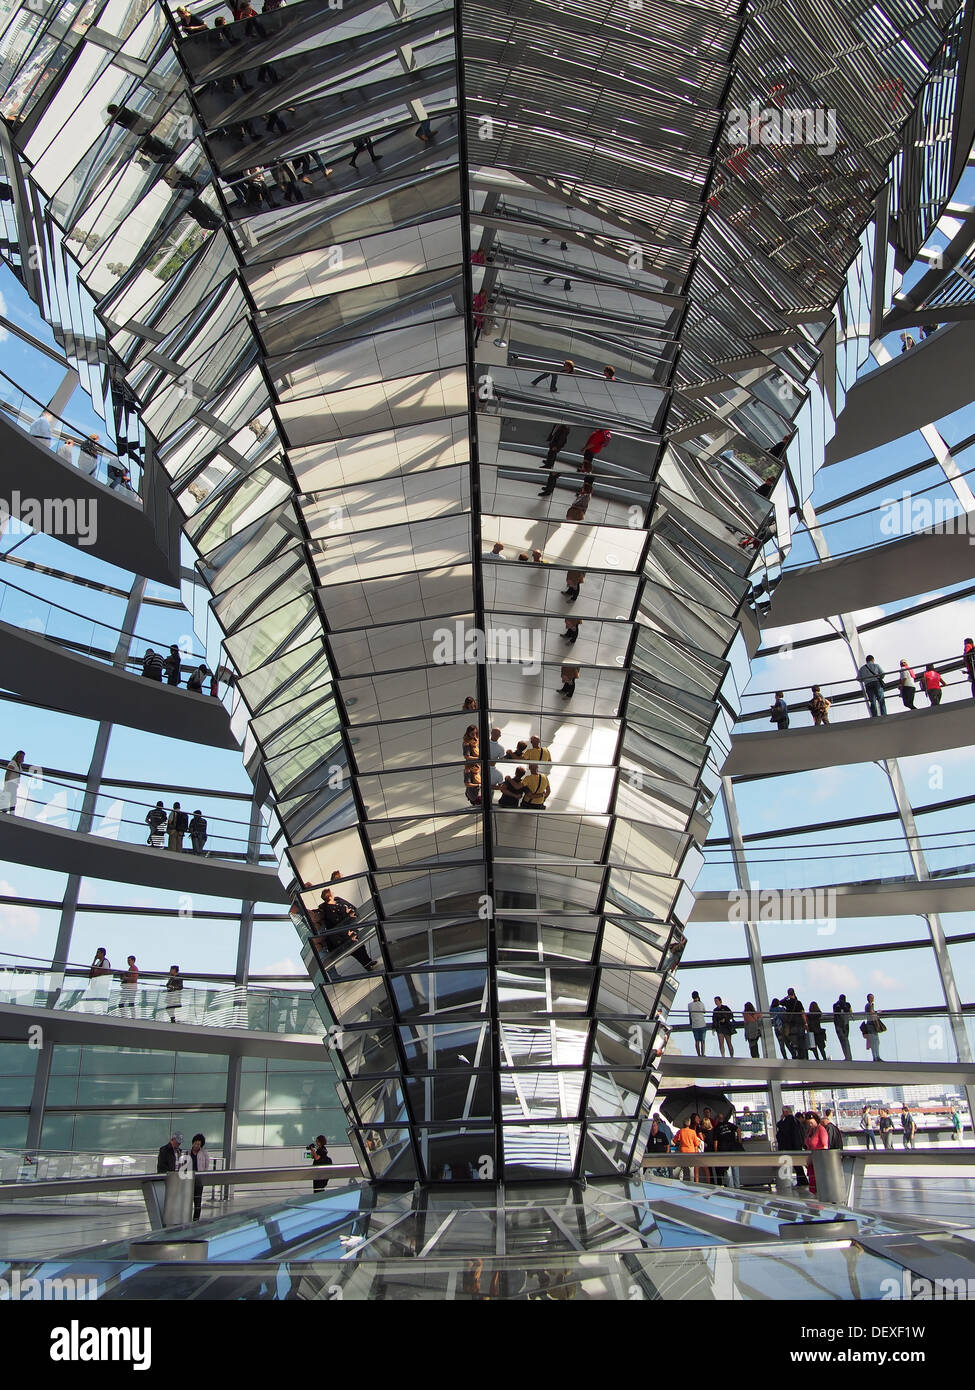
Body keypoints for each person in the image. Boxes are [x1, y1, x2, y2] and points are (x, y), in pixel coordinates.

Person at [314, 888, 378, 970]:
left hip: (350, 928)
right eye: (331, 893)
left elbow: (350, 906)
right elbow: (339, 924)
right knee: (356, 949)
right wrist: (347, 913)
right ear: (329, 897)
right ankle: (367, 965)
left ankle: (368, 962)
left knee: (361, 946)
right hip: (343, 936)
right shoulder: (329, 911)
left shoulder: (338, 900)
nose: (333, 893)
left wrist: (350, 912)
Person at [776, 1105, 808, 1186]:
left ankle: (802, 1181)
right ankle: (802, 1180)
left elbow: (782, 1128)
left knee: (796, 1165)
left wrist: (781, 1120)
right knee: (797, 1165)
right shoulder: (796, 1121)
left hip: (791, 1146)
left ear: (786, 1112)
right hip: (796, 1146)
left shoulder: (789, 1120)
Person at [711, 1111, 743, 1188]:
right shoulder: (729, 1124)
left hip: (724, 1151)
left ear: (717, 1119)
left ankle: (731, 1188)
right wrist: (739, 1141)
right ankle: (737, 1186)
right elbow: (738, 1130)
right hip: (733, 1149)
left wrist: (716, 1152)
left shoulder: (716, 1128)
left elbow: (715, 1141)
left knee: (727, 1170)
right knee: (735, 1168)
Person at [804, 1111, 829, 1194]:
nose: (810, 1124)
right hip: (812, 1161)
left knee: (818, 1182)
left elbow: (825, 1145)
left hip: (818, 1160)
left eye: (811, 1122)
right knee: (812, 1182)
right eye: (808, 1123)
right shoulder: (811, 1130)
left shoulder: (821, 1129)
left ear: (815, 1120)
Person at [674, 1114, 701, 1182]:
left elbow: (674, 1140)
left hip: (683, 1151)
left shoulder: (680, 1131)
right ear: (689, 1123)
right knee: (691, 1169)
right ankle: (691, 1182)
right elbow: (696, 1143)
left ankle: (681, 1181)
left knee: (683, 1167)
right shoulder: (693, 1132)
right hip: (691, 1152)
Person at [782, 986, 807, 1059]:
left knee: (793, 1039)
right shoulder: (798, 1003)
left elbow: (780, 1002)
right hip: (799, 1022)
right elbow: (802, 1013)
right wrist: (805, 1023)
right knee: (801, 1038)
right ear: (794, 993)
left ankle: (795, 1054)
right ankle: (802, 1055)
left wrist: (786, 997)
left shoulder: (787, 1002)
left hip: (791, 1023)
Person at [190, 1133, 210, 1220]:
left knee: (197, 1201)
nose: (196, 1146)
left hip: (198, 1180)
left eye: (198, 1144)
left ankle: (196, 1219)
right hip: (189, 1179)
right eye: (195, 1143)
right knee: (188, 1201)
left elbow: (206, 1166)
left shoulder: (204, 1153)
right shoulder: (187, 1153)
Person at [862, 992, 885, 1061]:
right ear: (868, 998)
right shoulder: (868, 1005)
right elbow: (872, 1013)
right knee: (874, 1041)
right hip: (871, 1025)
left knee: (876, 1041)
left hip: (872, 1025)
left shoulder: (871, 1005)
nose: (872, 999)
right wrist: (877, 1012)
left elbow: (872, 1012)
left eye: (873, 997)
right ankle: (875, 1057)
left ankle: (877, 1056)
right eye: (871, 997)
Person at [2, 750, 24, 814]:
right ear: (17, 756)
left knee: (13, 799)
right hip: (10, 783)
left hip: (15, 784)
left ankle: (11, 812)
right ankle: (5, 811)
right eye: (21, 757)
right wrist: (6, 783)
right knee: (9, 797)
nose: (22, 759)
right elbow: (8, 772)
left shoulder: (19, 765)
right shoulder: (13, 763)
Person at [832, 993, 853, 1061]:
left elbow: (834, 1014)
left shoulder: (835, 1005)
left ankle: (847, 1056)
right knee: (846, 1040)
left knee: (843, 1041)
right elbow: (851, 1013)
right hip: (845, 1024)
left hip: (838, 1025)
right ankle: (849, 1056)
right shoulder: (847, 1004)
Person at [688, 991, 707, 1056]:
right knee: (703, 1040)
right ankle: (703, 1054)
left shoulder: (689, 1005)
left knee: (696, 1041)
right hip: (702, 1024)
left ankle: (698, 1054)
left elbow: (690, 1014)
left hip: (694, 1025)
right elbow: (704, 1011)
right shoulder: (701, 1004)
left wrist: (690, 1023)